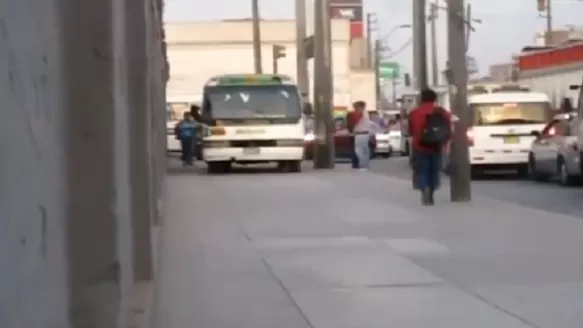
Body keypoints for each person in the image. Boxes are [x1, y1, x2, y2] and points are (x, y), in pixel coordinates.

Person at [408, 89, 452, 205]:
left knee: (421, 170)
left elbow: (410, 131)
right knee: (434, 170)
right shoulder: (442, 112)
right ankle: (431, 191)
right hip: (436, 145)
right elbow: (448, 127)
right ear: (435, 99)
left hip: (419, 145)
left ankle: (424, 188)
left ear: (421, 98)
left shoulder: (414, 113)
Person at [348, 101, 371, 171]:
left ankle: (362, 166)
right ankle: (364, 165)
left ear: (360, 107)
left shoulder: (359, 114)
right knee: (364, 150)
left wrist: (351, 130)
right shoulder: (366, 114)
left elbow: (353, 123)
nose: (355, 109)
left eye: (356, 107)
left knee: (359, 150)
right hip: (365, 134)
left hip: (360, 134)